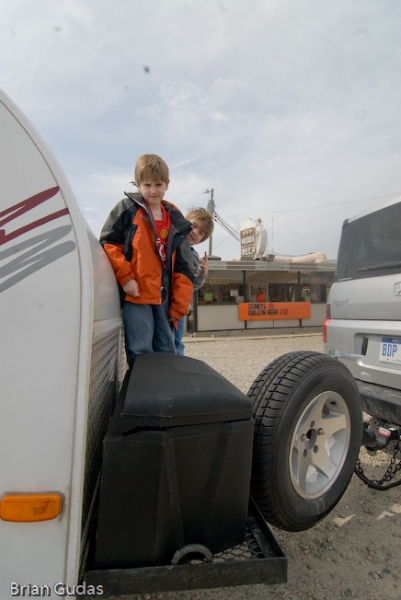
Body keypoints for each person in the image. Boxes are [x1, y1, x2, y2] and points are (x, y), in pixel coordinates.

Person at [100, 154, 194, 366]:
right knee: (140, 351)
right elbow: (109, 244)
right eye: (147, 184)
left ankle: (165, 395)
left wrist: (179, 306)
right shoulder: (127, 209)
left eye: (158, 184)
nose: (153, 190)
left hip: (164, 299)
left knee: (167, 351)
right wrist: (125, 278)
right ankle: (140, 395)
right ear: (137, 184)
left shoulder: (175, 220)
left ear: (167, 184)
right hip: (137, 295)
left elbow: (184, 267)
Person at [174, 207, 214, 355]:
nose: (195, 232)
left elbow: (191, 286)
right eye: (194, 225)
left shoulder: (193, 256)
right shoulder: (169, 242)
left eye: (201, 233)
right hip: (159, 302)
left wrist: (203, 274)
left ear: (201, 240)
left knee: (176, 344)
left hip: (179, 307)